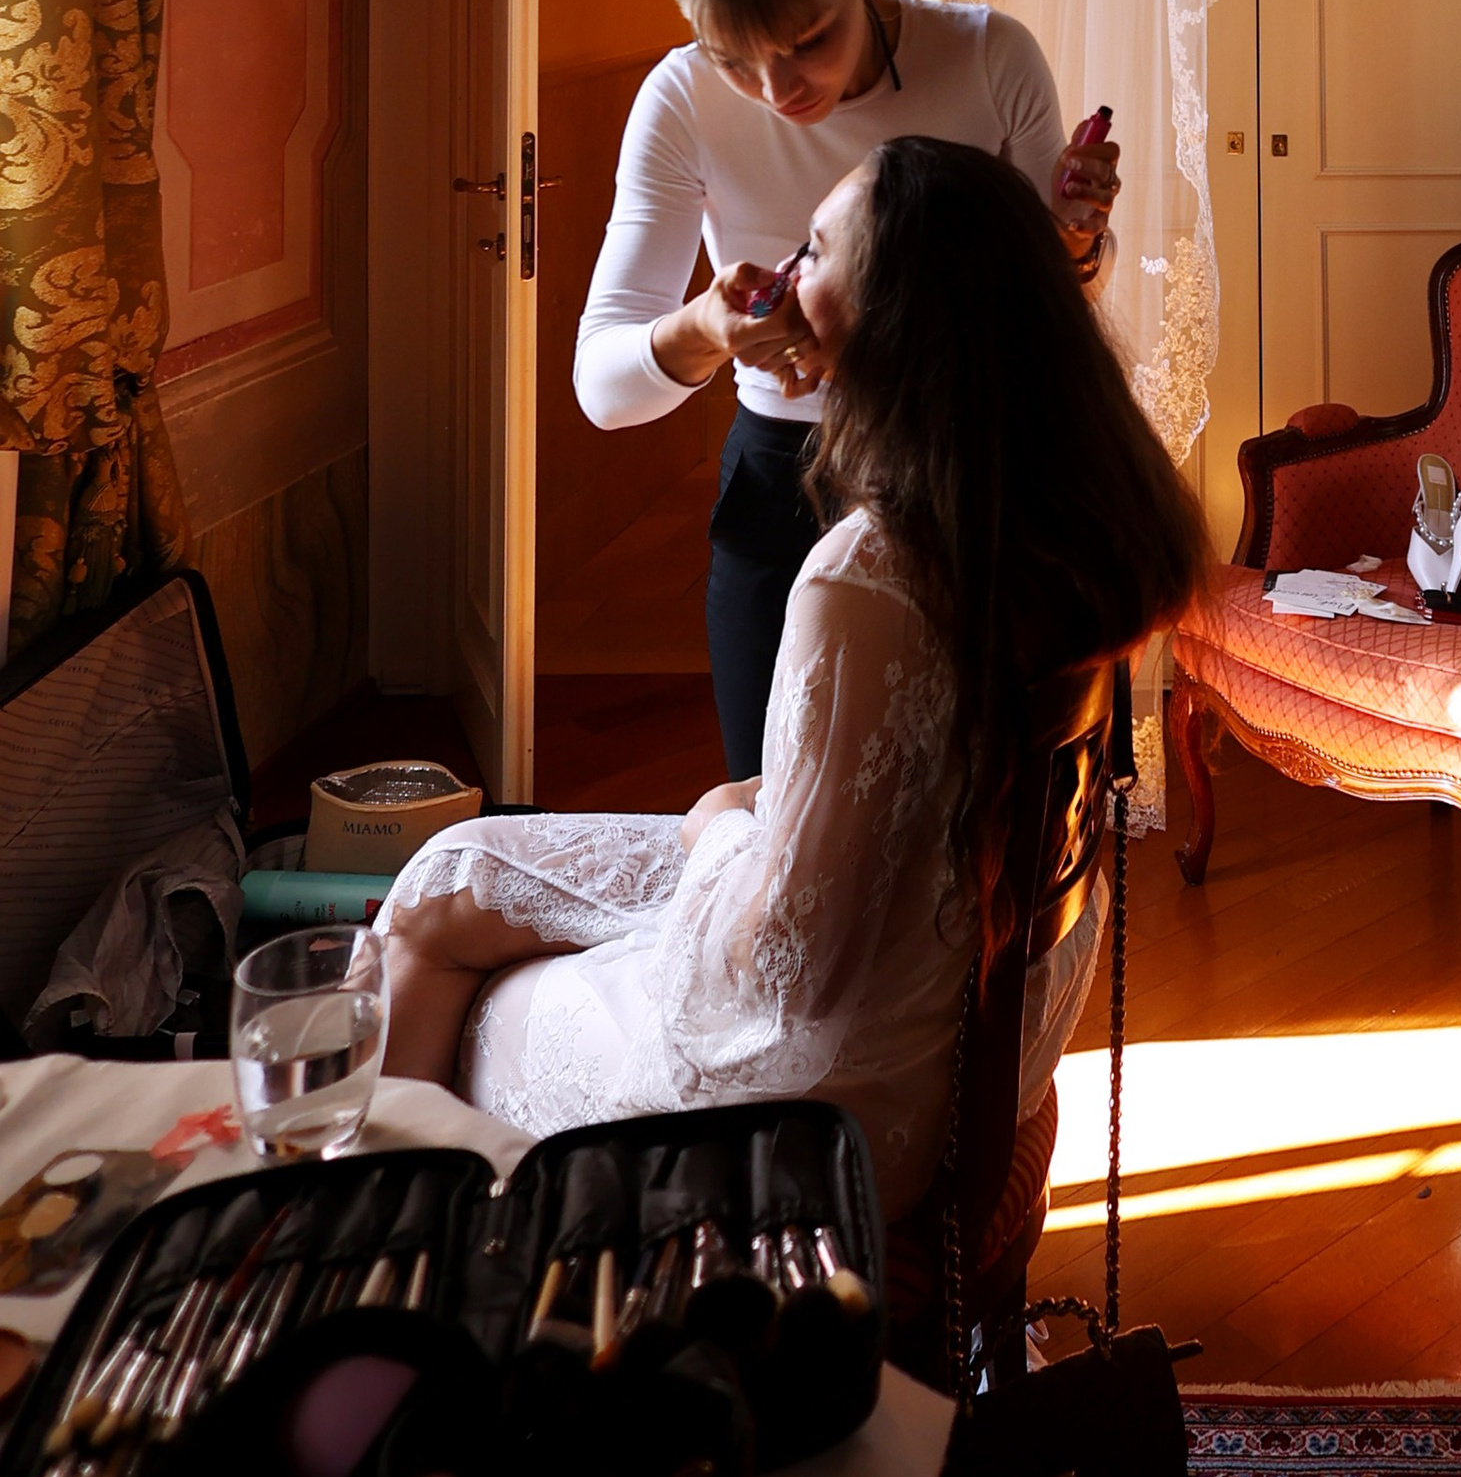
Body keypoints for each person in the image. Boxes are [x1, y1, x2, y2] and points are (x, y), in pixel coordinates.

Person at [380, 139, 1208, 1209]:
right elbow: (915, 789)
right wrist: (750, 814)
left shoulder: (869, 576)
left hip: (824, 1103)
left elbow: (785, 968)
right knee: (452, 867)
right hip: (972, 1014)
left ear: (896, 322)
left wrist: (718, 827)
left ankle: (391, 1249)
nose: (784, 271)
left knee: (462, 972)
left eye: (815, 252)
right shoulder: (1069, 516)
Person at [575, 0, 1122, 783]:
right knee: (772, 812)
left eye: (806, 39)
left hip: (974, 476)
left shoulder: (990, 58)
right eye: (732, 59)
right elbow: (603, 389)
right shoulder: (678, 101)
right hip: (782, 482)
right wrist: (708, 328)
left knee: (982, 810)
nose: (775, 88)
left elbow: (1048, 314)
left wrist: (1072, 240)